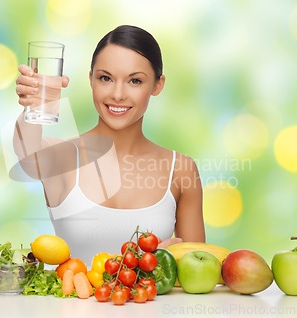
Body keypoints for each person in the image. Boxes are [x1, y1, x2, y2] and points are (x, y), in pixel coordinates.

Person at [14, 25, 205, 264]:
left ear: (157, 85)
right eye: (105, 78)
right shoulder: (63, 158)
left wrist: (166, 261)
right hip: (72, 301)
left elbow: (198, 271)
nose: (117, 94)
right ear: (91, 79)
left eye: (135, 81)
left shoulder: (181, 169)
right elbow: (26, 150)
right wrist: (33, 106)